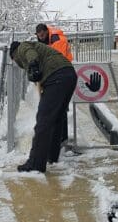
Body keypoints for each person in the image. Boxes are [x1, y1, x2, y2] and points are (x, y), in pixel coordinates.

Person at [8, 40, 77, 173]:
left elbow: (30, 53)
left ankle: (35, 164)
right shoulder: (40, 48)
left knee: (43, 122)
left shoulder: (21, 48)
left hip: (56, 77)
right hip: (69, 75)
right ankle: (52, 156)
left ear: (13, 56)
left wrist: (33, 65)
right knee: (56, 119)